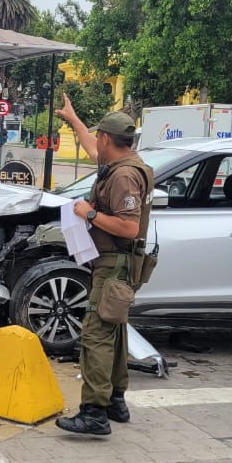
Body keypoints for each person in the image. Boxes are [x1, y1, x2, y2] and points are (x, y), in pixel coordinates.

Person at [53, 95, 155, 436]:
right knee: (115, 328)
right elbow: (93, 151)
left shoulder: (124, 177)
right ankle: (115, 401)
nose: (95, 142)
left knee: (96, 333)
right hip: (119, 264)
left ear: (108, 139)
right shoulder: (124, 163)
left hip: (114, 263)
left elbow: (128, 226)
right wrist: (74, 119)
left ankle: (94, 411)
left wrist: (90, 213)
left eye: (99, 136)